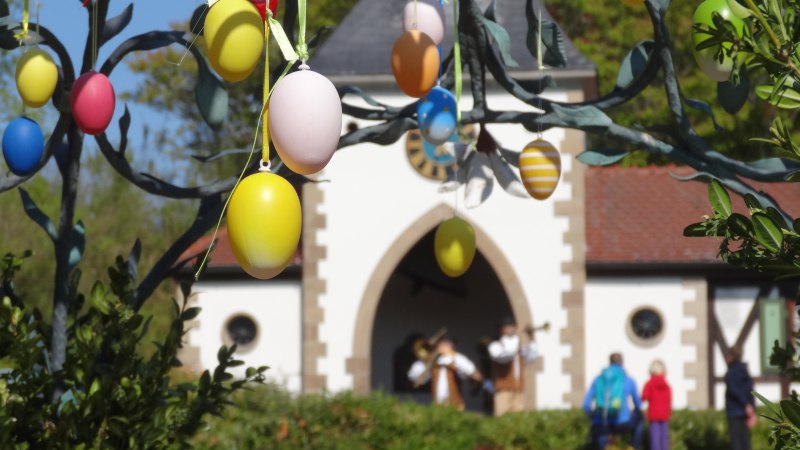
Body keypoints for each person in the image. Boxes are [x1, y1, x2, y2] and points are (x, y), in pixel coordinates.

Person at [583, 353, 643, 450]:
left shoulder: (598, 379)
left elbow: (586, 405)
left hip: (602, 422)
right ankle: (634, 447)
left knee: (601, 439)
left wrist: (593, 416)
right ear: (622, 363)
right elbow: (639, 405)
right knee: (639, 420)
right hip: (622, 422)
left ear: (609, 362)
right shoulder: (628, 380)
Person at [407, 334, 483, 410]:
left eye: (445, 343)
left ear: (452, 345)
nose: (441, 346)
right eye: (440, 343)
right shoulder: (432, 362)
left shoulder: (457, 359)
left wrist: (452, 354)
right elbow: (415, 380)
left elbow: (476, 375)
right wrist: (429, 360)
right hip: (437, 407)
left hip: (455, 407)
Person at [486, 316, 540, 416]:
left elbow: (532, 357)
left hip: (518, 389)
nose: (512, 329)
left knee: (518, 421)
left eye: (512, 326)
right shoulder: (495, 346)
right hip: (503, 390)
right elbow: (507, 355)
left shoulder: (518, 346)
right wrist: (517, 337)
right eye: (509, 327)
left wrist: (531, 338)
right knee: (502, 420)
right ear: (502, 330)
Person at [725, 347, 755, 450]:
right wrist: (751, 408)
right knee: (745, 442)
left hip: (734, 411)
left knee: (736, 443)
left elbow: (734, 390)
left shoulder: (731, 372)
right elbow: (750, 391)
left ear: (731, 357)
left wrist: (745, 404)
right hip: (745, 412)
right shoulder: (744, 370)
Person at [641, 360, 671, 450]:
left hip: (654, 415)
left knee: (655, 439)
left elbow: (644, 397)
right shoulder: (666, 384)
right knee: (664, 438)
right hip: (664, 415)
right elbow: (669, 399)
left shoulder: (649, 384)